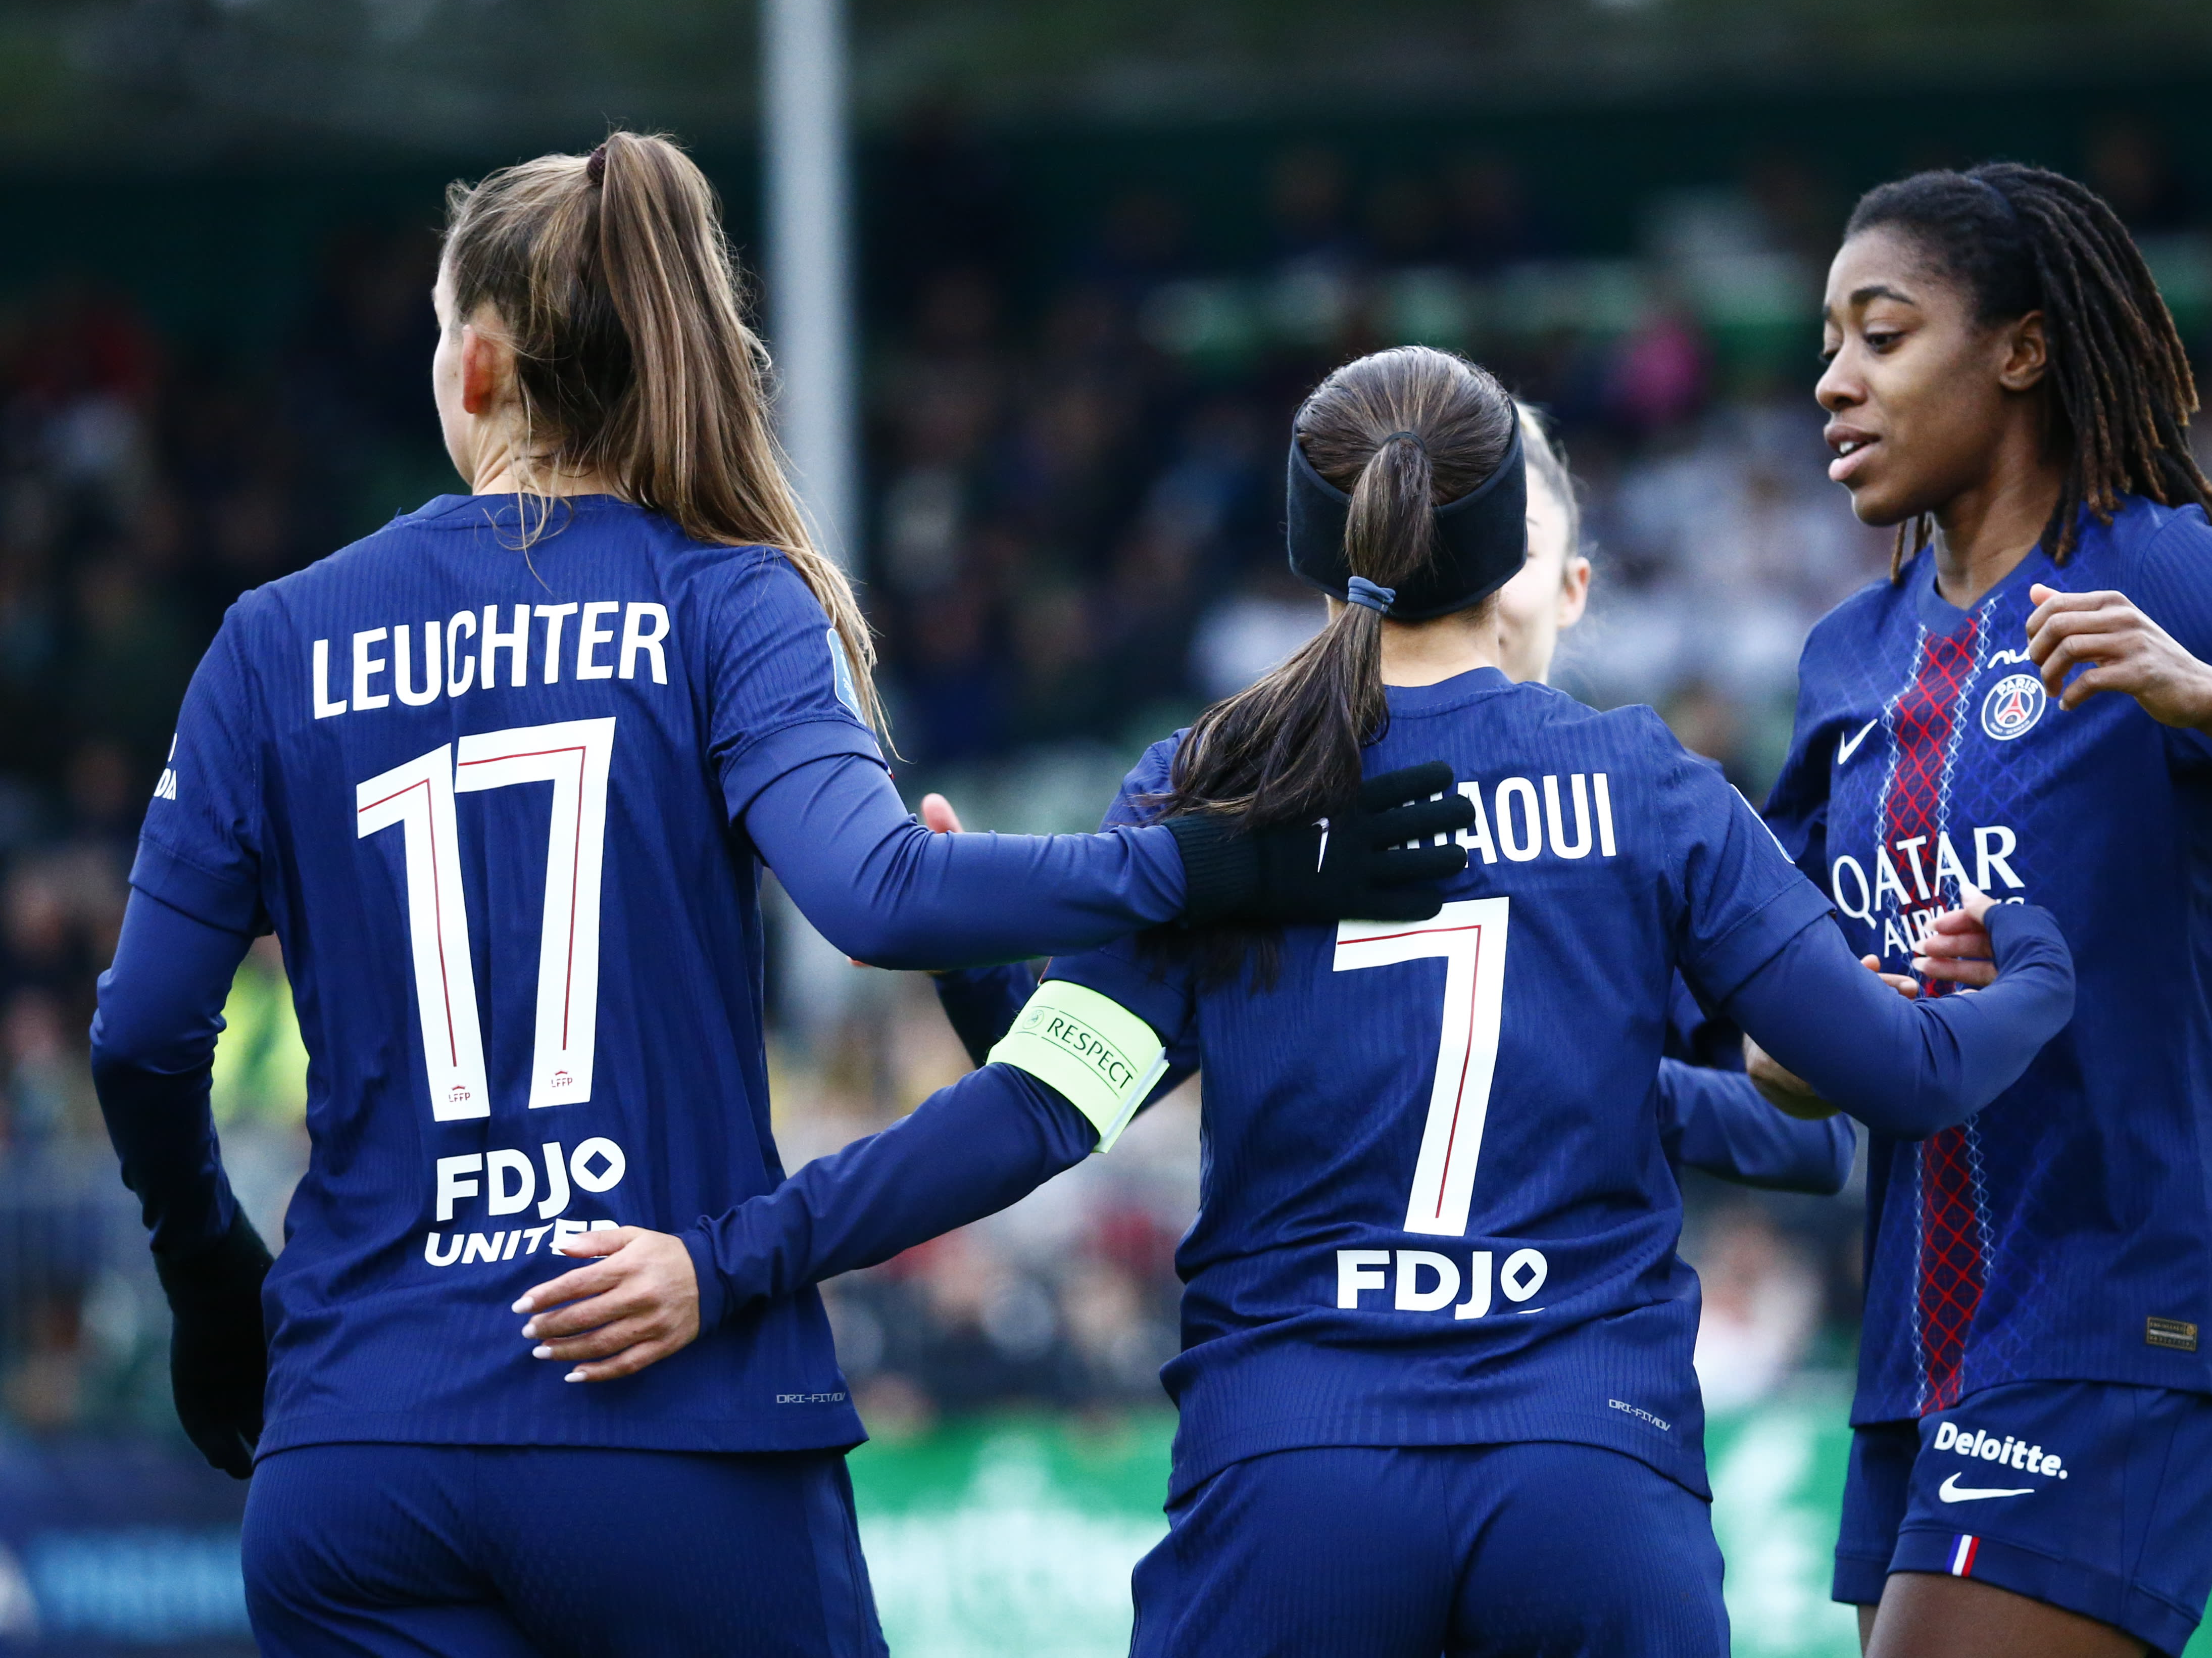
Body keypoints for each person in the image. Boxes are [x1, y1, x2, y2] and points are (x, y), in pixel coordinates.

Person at [86, 133, 1469, 1657]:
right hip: (674, 1429)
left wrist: (210, 1272)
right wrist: (1224, 862)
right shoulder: (727, 594)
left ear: (473, 365)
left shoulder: (272, 641)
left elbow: (142, 1034)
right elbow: (881, 896)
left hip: (359, 1450)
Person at [518, 344, 2078, 1657]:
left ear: (1310, 544)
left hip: (1295, 1474)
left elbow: (1051, 1108)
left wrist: (729, 1261)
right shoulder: (1644, 786)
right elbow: (1896, 1079)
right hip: (1589, 1468)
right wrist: (2039, 964)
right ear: (1520, 559)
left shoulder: (1211, 790)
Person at [1771, 163, 2212, 1658]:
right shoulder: (1847, 656)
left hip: (2129, 1296)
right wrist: (1838, 1024)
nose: (1833, 381)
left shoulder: (2166, 571)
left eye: (1882, 336)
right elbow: (1778, 1022)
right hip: (1923, 1338)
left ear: (2023, 350)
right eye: (1829, 344)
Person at [922, 401, 1860, 1200]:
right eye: (1424, 539)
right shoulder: (1284, 815)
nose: (1455, 571)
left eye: (1510, 547)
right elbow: (1083, 1089)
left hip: (1561, 1338)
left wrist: (1572, 1071)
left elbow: (1812, 1132)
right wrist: (967, 957)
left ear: (1573, 589)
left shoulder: (1637, 819)